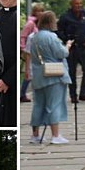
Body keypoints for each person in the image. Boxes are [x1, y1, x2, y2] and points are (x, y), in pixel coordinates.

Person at [29, 11, 73, 144]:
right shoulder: (52, 37)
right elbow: (62, 53)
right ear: (51, 22)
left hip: (38, 75)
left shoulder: (34, 37)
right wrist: (68, 46)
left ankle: (35, 135)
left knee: (38, 105)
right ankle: (55, 135)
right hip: (54, 75)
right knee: (54, 104)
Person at [57, 0, 85, 103]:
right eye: (76, 4)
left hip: (84, 47)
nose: (79, 5)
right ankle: (73, 95)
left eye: (80, 3)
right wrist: (67, 39)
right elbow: (59, 31)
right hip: (72, 48)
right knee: (72, 72)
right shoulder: (65, 17)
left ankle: (84, 93)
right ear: (71, 5)